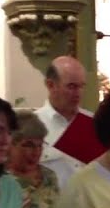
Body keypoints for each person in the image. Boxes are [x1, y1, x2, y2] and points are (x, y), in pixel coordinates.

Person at [35, 56, 93, 188]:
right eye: (71, 86)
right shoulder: (33, 125)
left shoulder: (93, 123)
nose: (78, 93)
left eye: (81, 86)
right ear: (50, 85)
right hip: (53, 205)